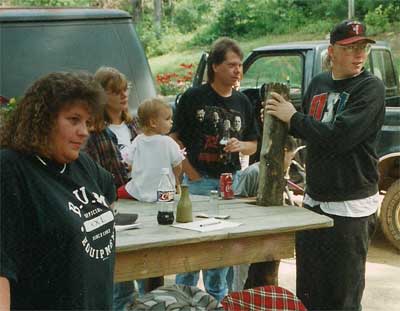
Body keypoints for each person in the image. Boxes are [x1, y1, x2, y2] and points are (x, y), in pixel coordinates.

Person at [265, 20, 385, 311]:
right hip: (314, 202)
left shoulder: (370, 89)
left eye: (363, 48)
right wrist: (276, 121)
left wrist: (292, 118)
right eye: (350, 48)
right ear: (332, 51)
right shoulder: (319, 83)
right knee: (309, 293)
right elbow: (307, 130)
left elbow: (339, 137)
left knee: (342, 296)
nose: (358, 54)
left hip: (351, 207)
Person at [0, 72, 116, 309]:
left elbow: (109, 197)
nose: (84, 131)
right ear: (42, 120)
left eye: (86, 122)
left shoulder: (82, 164)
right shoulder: (11, 169)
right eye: (74, 120)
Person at [170, 37, 259, 301]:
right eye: (232, 65)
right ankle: (181, 304)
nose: (238, 71)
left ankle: (217, 305)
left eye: (240, 65)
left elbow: (254, 145)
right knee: (188, 257)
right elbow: (173, 139)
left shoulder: (243, 102)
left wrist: (240, 144)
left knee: (219, 258)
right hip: (197, 184)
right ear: (215, 66)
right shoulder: (193, 97)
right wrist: (190, 171)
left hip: (228, 185)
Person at [82, 67, 141, 310]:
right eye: (115, 91)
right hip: (113, 206)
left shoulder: (134, 124)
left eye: (124, 90)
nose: (122, 95)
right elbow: (91, 174)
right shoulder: (94, 131)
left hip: (140, 202)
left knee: (150, 281)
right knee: (122, 286)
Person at [118, 97, 184, 201]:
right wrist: (174, 177)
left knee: (117, 193)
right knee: (168, 199)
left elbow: (129, 164)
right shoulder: (169, 142)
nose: (171, 122)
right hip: (163, 191)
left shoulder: (137, 140)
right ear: (153, 123)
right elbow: (178, 165)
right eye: (167, 119)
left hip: (138, 191)